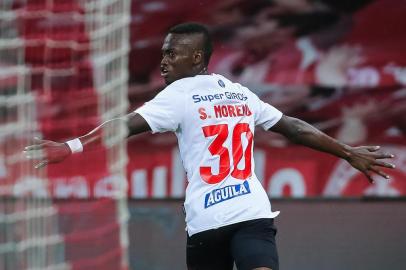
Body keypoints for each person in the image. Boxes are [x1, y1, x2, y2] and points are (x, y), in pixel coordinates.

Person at [24, 23, 395, 270]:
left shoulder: (179, 95)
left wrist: (72, 147)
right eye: (164, 53)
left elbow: (124, 126)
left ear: (196, 58)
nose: (163, 60)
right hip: (208, 223)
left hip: (244, 215)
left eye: (172, 54)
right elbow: (294, 128)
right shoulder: (237, 91)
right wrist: (348, 152)